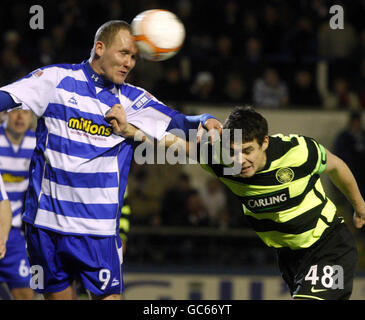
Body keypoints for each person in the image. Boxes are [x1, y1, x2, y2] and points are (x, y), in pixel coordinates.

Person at [0, 20, 222, 300]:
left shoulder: (133, 100)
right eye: (123, 54)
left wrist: (206, 119)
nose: (129, 63)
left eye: (134, 57)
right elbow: (5, 97)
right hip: (45, 226)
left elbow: (180, 120)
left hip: (98, 232)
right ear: (100, 48)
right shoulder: (54, 80)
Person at [195, 106, 365, 300]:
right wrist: (197, 119)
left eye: (248, 151)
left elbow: (336, 166)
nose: (239, 160)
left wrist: (360, 207)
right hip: (289, 257)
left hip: (328, 245)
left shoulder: (297, 151)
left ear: (265, 143)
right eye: (233, 152)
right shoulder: (220, 160)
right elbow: (171, 140)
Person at [0, 109, 35, 300]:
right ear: (4, 114)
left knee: (25, 292)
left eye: (26, 112)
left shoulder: (36, 143)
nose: (20, 117)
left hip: (14, 235)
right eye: (15, 112)